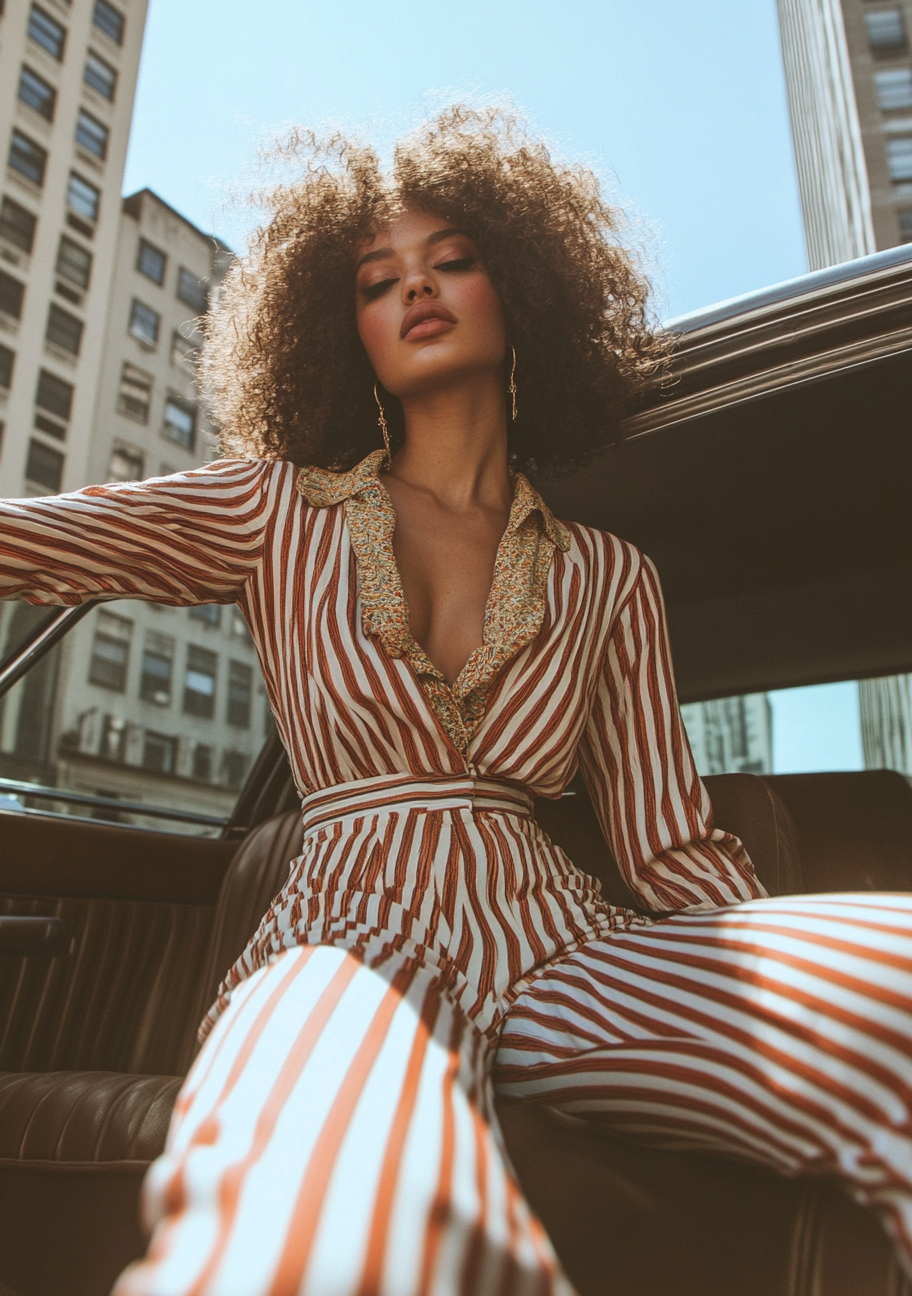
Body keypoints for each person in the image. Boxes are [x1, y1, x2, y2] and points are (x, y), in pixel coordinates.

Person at [1, 106, 910, 1296]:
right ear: (349, 331)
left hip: (563, 942)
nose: (416, 290)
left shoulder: (606, 574)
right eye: (380, 280)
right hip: (341, 933)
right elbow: (35, 545)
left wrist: (759, 941)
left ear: (519, 291)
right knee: (337, 1197)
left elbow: (670, 845)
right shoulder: (279, 510)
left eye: (452, 260)